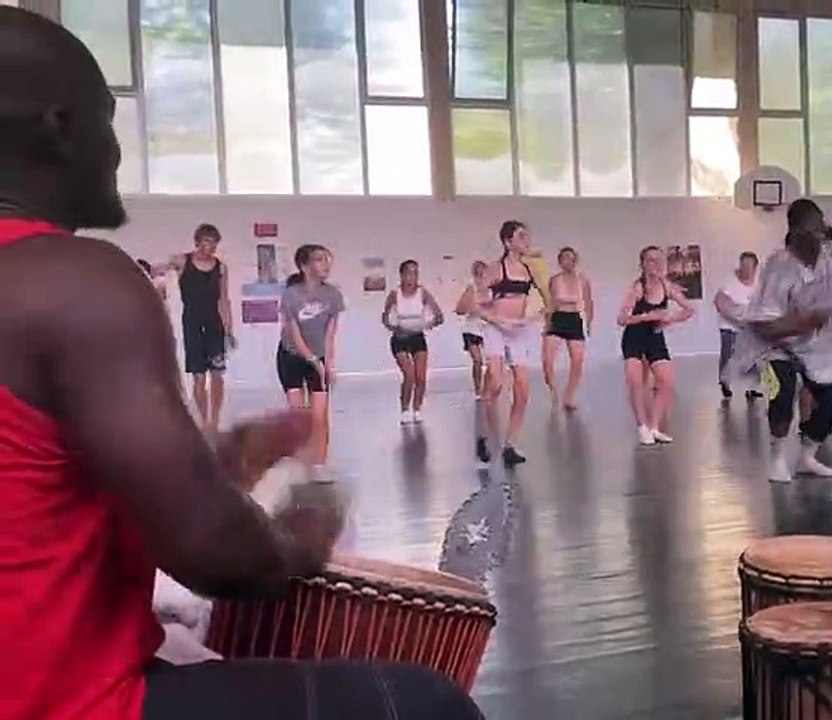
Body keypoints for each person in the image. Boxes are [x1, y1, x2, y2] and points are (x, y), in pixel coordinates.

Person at [0, 7, 481, 719]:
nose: (116, 149)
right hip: (62, 702)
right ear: (59, 128)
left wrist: (216, 465)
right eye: (106, 119)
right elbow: (212, 554)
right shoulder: (74, 281)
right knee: (427, 704)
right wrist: (295, 542)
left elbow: (39, 508)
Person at [727, 199, 832, 482]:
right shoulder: (779, 266)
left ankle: (807, 455)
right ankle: (778, 458)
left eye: (819, 229)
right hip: (773, 347)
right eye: (810, 230)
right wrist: (801, 322)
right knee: (781, 393)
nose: (817, 235)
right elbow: (767, 326)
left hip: (813, 345)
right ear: (795, 231)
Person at [474, 220, 542, 466]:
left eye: (526, 236)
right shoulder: (495, 269)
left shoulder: (528, 270)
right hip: (496, 329)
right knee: (495, 384)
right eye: (521, 236)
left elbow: (541, 300)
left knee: (523, 390)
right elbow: (478, 305)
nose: (526, 241)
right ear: (507, 241)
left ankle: (511, 443)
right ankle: (484, 435)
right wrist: (498, 321)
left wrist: (532, 317)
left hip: (518, 331)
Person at [618, 246, 694, 446]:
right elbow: (622, 319)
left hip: (655, 337)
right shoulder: (637, 288)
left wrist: (670, 319)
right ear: (642, 264)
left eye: (659, 260)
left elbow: (689, 309)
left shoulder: (665, 285)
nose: (656, 265)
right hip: (634, 337)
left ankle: (654, 427)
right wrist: (648, 316)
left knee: (666, 381)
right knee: (635, 382)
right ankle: (642, 426)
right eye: (650, 260)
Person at [278, 244, 344, 468]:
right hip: (292, 356)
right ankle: (300, 460)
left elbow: (330, 334)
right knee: (299, 415)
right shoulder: (291, 296)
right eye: (319, 260)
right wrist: (312, 360)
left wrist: (327, 364)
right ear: (305, 266)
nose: (326, 264)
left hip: (318, 355)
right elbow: (294, 334)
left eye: (327, 259)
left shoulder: (333, 295)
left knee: (319, 416)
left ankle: (320, 464)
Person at [173, 223, 235, 433]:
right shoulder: (183, 261)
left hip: (214, 323)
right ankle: (204, 417)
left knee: (217, 373)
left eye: (214, 243)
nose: (211, 247)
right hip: (192, 321)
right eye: (207, 242)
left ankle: (214, 420)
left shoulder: (221, 267)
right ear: (198, 243)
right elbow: (158, 270)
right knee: (198, 375)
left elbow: (224, 300)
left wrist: (229, 329)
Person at [383, 259, 443, 424]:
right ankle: (404, 410)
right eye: (409, 273)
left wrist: (428, 324)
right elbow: (385, 318)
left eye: (415, 273)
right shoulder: (394, 295)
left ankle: (417, 409)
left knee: (421, 377)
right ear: (402, 275)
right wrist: (395, 328)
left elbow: (439, 316)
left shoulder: (423, 293)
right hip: (400, 338)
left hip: (417, 337)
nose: (412, 277)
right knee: (409, 375)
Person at [542, 247, 593, 411]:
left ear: (575, 261)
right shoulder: (555, 280)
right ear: (560, 261)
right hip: (557, 318)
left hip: (573, 319)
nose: (567, 262)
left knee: (577, 360)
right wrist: (547, 323)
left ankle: (569, 397)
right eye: (564, 258)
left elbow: (588, 302)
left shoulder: (582, 280)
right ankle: (553, 391)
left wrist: (589, 323)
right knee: (547, 360)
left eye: (570, 258)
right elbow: (550, 303)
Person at [715, 251, 760, 400]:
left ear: (755, 267)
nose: (746, 269)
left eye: (749, 265)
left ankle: (751, 388)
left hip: (750, 328)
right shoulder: (729, 283)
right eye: (744, 265)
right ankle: (725, 383)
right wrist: (736, 319)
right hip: (730, 327)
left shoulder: (759, 285)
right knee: (729, 355)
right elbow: (719, 302)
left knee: (753, 358)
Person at [455, 260, 488, 399]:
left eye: (483, 272)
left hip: (487, 328)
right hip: (471, 329)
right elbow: (459, 309)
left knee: (492, 362)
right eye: (478, 272)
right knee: (477, 360)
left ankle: (488, 387)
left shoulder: (492, 289)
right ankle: (477, 389)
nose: (481, 275)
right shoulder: (471, 289)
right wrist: (471, 307)